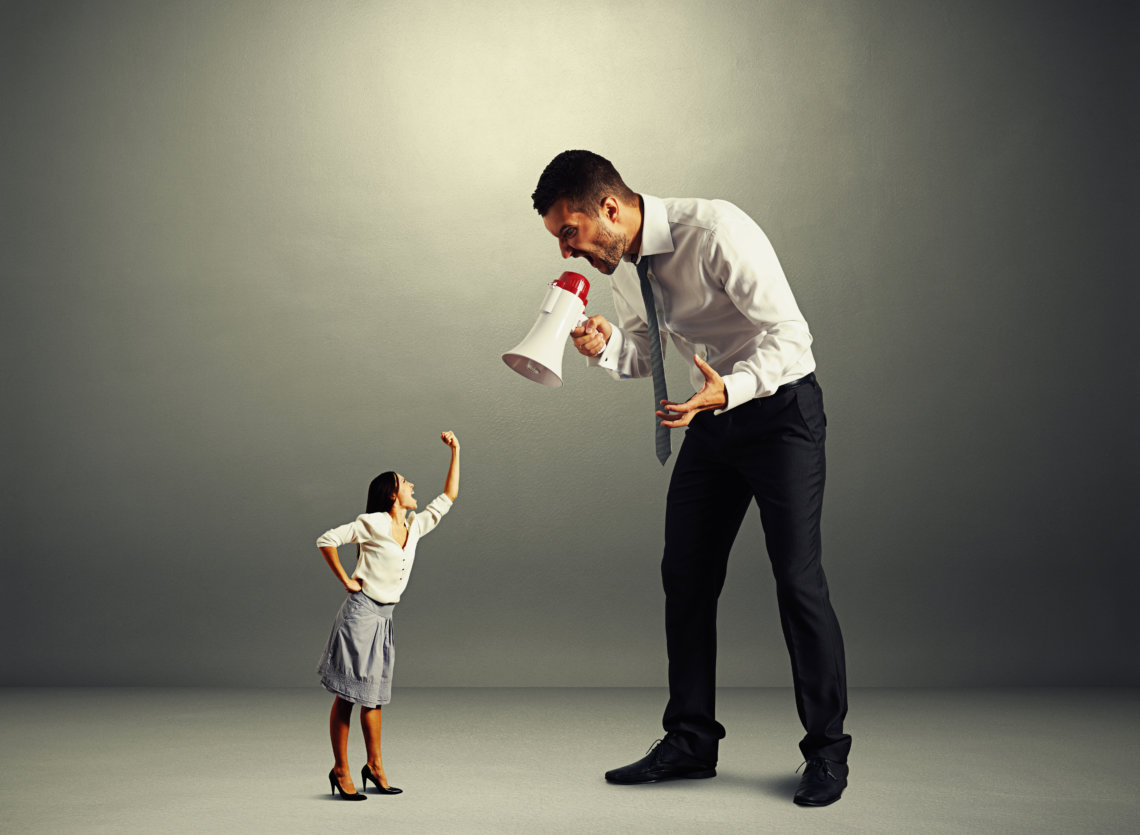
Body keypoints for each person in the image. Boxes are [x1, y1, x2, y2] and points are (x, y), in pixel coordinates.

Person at [531, 151, 851, 807]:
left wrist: (727, 390)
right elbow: (646, 354)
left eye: (570, 232)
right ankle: (690, 741)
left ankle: (826, 753)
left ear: (609, 208)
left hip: (780, 411)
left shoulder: (716, 230)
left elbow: (792, 338)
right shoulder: (622, 266)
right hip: (711, 419)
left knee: (797, 578)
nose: (568, 248)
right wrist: (605, 349)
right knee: (686, 573)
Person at [314, 431, 460, 800]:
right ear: (392, 495)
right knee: (348, 695)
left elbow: (449, 497)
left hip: (384, 620)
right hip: (361, 615)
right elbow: (327, 539)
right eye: (405, 483)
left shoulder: (413, 528)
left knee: (374, 697)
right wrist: (347, 579)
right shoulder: (373, 523)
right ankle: (341, 769)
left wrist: (456, 451)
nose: (413, 486)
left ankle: (375, 767)